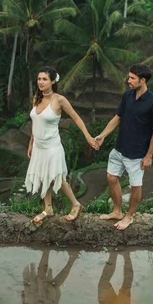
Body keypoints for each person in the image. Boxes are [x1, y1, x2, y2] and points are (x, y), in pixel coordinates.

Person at [25, 66, 97, 223]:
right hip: (39, 146)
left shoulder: (59, 100)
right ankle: (48, 208)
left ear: (52, 81)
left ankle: (76, 204)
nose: (41, 82)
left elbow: (76, 118)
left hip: (52, 146)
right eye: (39, 79)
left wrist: (88, 137)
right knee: (42, 175)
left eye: (44, 79)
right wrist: (31, 143)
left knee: (56, 176)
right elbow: (34, 123)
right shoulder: (36, 98)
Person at [95, 64, 153, 230]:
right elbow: (117, 118)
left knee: (135, 186)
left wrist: (149, 156)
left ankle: (129, 216)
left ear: (143, 80)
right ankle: (117, 211)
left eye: (132, 78)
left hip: (138, 153)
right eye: (129, 77)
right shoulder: (127, 95)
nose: (128, 80)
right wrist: (102, 135)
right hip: (119, 148)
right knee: (111, 177)